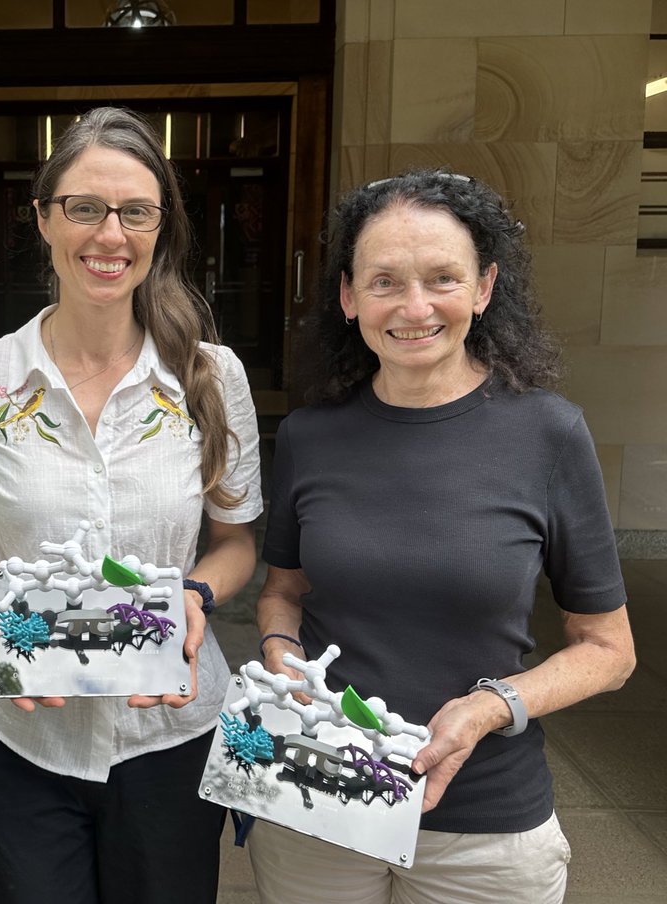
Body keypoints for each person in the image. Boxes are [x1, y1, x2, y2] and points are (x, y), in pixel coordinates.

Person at [250, 170, 637, 903]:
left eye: (442, 278)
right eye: (385, 281)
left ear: (484, 288)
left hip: (484, 825)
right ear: (348, 295)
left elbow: (610, 651)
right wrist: (282, 653)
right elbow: (284, 592)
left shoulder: (549, 433)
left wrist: (491, 705)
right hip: (320, 800)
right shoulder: (309, 435)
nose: (414, 307)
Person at [0, 106, 262, 904]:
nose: (109, 234)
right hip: (19, 730)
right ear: (43, 217)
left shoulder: (212, 377)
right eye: (83, 207)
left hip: (170, 729)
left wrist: (197, 592)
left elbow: (236, 541)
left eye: (135, 211)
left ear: (161, 226)